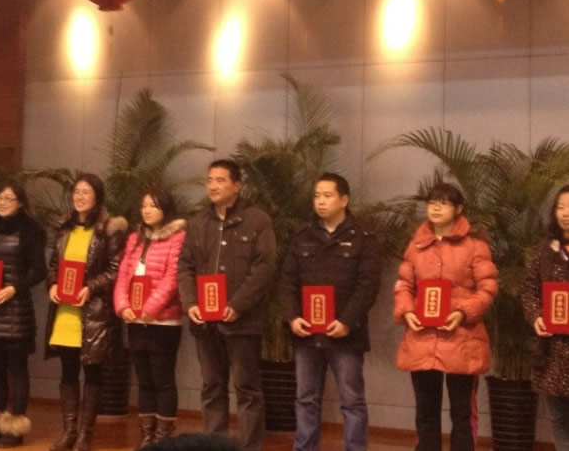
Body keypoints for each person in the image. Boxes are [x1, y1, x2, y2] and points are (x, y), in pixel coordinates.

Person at [177, 159, 276, 451]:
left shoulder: (257, 220)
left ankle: (249, 447)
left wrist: (238, 304)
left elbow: (265, 267)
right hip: (205, 323)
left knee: (247, 390)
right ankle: (214, 445)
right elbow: (185, 266)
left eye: (220, 180)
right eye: (210, 180)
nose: (213, 186)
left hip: (242, 322)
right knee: (212, 387)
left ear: (237, 185)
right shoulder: (198, 223)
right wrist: (190, 303)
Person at [280, 172, 381, 451]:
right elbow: (287, 281)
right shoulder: (302, 236)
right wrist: (292, 317)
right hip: (306, 333)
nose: (320, 202)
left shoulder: (363, 237)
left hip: (345, 334)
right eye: (317, 196)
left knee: (352, 400)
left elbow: (368, 285)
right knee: (305, 398)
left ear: (344, 200)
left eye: (327, 196)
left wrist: (346, 321)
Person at [394, 182, 497, 451]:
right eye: (432, 203)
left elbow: (488, 288)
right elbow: (404, 285)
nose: (436, 208)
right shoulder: (416, 246)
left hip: (462, 339)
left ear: (458, 209)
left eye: (444, 203)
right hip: (422, 339)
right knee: (425, 412)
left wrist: (463, 312)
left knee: (462, 413)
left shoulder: (475, 245)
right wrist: (407, 311)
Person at [45, 173, 127, 451]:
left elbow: (115, 271)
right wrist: (52, 284)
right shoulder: (64, 228)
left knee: (92, 373)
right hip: (65, 311)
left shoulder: (108, 229)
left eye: (86, 192)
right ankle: (69, 432)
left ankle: (85, 436)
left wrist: (90, 288)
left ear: (97, 197)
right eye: (76, 192)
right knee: (68, 372)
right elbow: (53, 265)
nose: (79, 197)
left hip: (94, 312)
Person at [0, 182, 46, 447]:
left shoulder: (32, 229)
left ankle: (15, 429)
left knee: (17, 369)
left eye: (8, 198)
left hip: (16, 309)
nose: (2, 203)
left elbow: (39, 270)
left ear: (20, 202)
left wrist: (14, 289)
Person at [114, 189, 186, 449]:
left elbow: (173, 278)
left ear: (165, 209)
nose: (146, 210)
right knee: (143, 380)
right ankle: (147, 437)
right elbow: (123, 275)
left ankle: (162, 439)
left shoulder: (178, 238)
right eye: (144, 205)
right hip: (136, 320)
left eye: (153, 206)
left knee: (162, 380)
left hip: (163, 321)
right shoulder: (135, 238)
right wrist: (123, 306)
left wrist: (151, 307)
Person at [522, 184, 569, 451]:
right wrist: (536, 316)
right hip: (552, 350)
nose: (566, 213)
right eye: (561, 207)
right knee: (559, 420)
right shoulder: (545, 249)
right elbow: (530, 287)